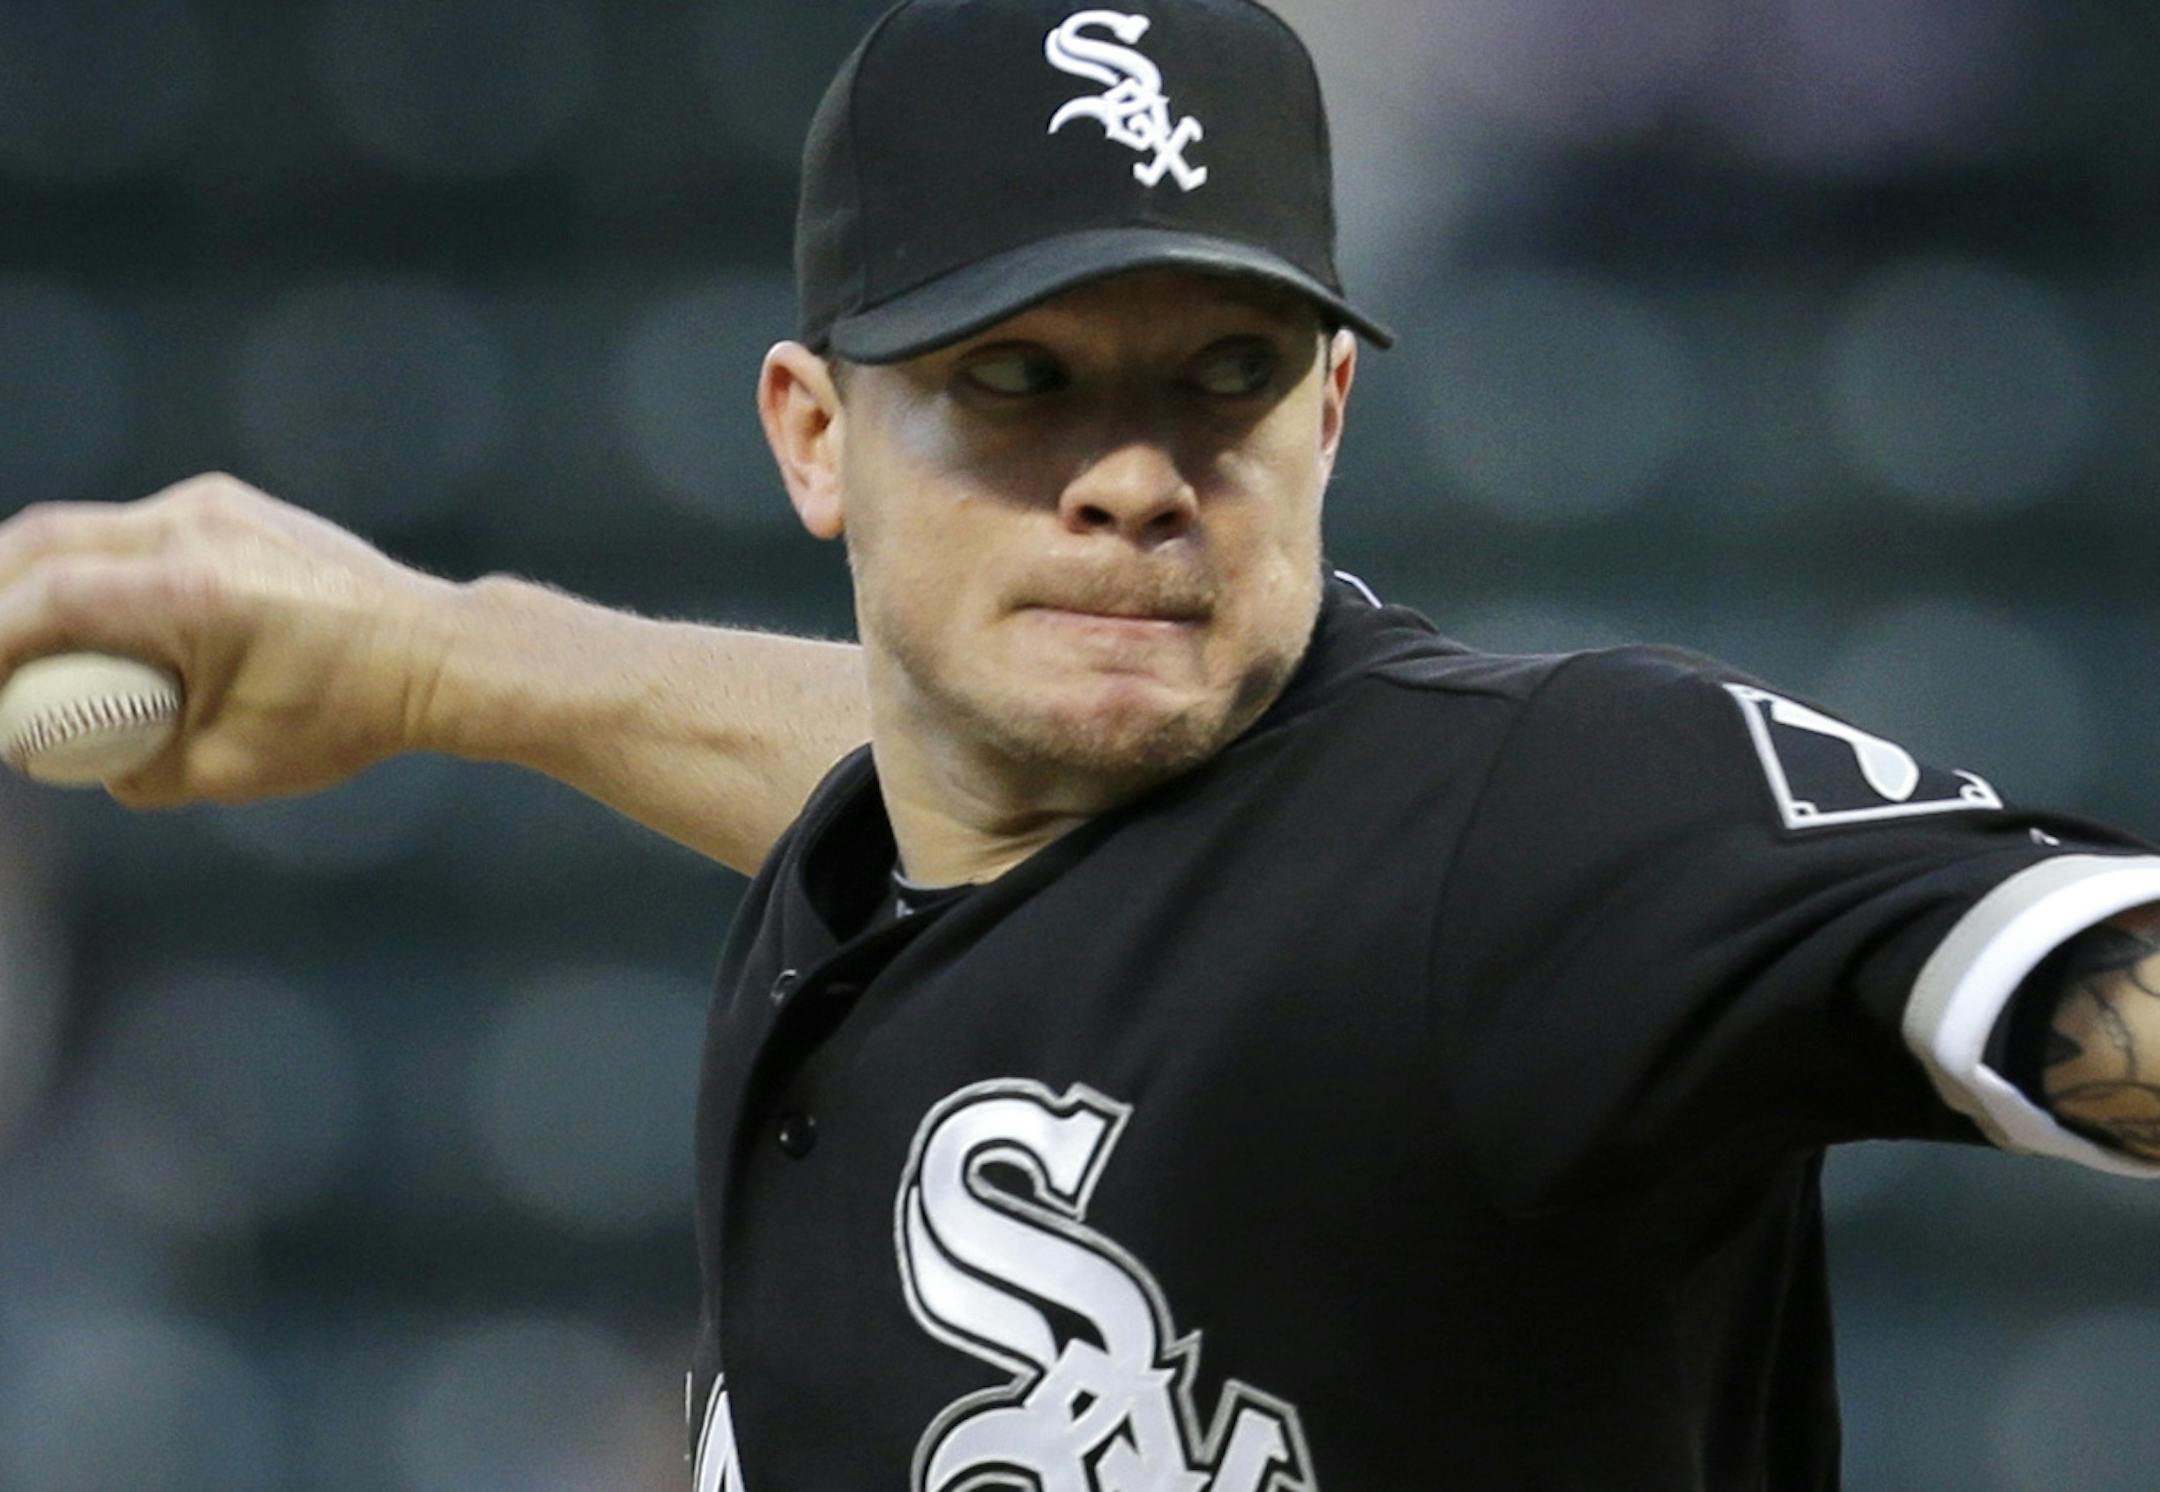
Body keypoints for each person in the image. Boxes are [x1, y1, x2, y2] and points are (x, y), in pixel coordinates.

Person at [4, 1, 2160, 1487]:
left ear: (1330, 412)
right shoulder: (942, 847)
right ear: (815, 434)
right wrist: (441, 659)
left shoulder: (1542, 820)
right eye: (1020, 377)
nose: (1136, 473)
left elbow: (2058, 965)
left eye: (1221, 371)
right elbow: (974, 808)